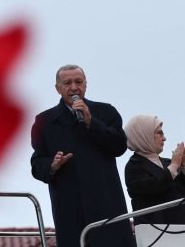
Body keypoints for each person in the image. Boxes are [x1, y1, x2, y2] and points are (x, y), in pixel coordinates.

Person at [30, 64, 136, 247]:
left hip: (107, 204)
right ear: (57, 88)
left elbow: (119, 146)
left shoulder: (106, 112)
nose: (73, 87)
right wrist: (52, 166)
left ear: (85, 85)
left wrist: (91, 122)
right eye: (67, 83)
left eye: (78, 82)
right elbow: (36, 164)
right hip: (70, 208)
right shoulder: (44, 121)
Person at [124, 114, 185, 225]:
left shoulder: (168, 163)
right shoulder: (133, 167)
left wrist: (183, 167)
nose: (165, 138)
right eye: (159, 133)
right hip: (155, 234)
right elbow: (152, 188)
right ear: (143, 135)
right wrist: (174, 166)